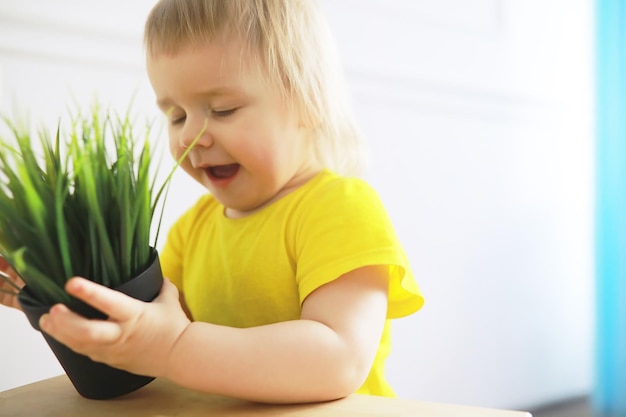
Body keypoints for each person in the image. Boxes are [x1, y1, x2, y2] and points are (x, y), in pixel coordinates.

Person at [0, 0, 424, 404]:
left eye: (222, 109)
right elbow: (139, 340)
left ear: (307, 101)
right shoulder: (192, 230)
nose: (188, 137)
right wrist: (55, 298)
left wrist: (176, 347)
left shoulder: (340, 208)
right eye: (176, 115)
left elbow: (339, 359)